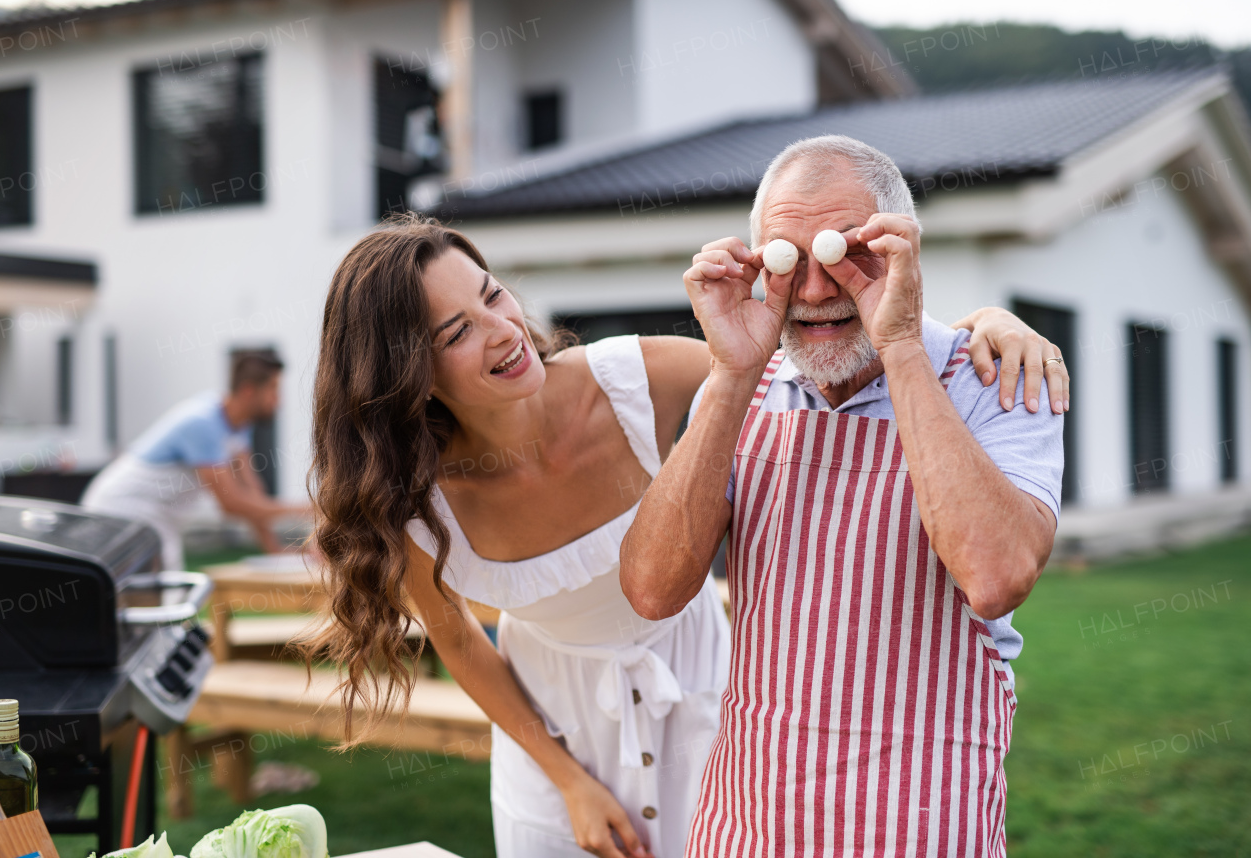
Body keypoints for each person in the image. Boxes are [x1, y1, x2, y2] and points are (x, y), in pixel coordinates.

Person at [303, 214, 1066, 858]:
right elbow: (463, 642)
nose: (504, 331)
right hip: (552, 732)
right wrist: (566, 778)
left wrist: (979, 326)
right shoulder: (408, 504)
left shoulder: (628, 379)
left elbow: (803, 361)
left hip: (705, 691)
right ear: (407, 373)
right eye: (457, 331)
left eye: (493, 293)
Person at [620, 134, 1065, 856]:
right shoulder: (741, 388)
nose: (819, 291)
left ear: (900, 254)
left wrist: (901, 347)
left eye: (845, 256)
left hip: (922, 822)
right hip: (751, 820)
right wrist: (731, 376)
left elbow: (996, 577)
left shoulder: (999, 379)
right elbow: (651, 588)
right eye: (789, 262)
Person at [81, 348, 308, 571]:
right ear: (249, 390)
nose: (278, 401)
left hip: (155, 516)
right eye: (273, 389)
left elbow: (252, 492)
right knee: (153, 596)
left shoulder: (239, 427)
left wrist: (275, 549)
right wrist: (305, 510)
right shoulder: (205, 424)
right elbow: (232, 503)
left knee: (166, 596)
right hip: (122, 508)